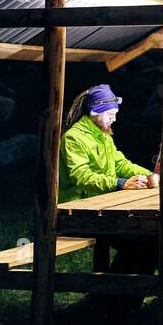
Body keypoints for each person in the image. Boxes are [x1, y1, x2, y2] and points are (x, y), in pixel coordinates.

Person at [60, 84, 156, 302]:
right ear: (95, 113)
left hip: (104, 209)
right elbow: (82, 176)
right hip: (77, 212)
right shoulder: (74, 138)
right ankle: (111, 302)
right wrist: (121, 184)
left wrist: (151, 175)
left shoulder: (104, 135)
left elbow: (121, 163)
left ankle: (120, 303)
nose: (114, 119)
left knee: (151, 240)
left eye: (115, 114)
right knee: (140, 242)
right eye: (110, 114)